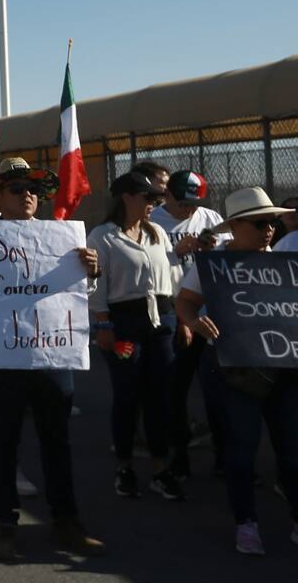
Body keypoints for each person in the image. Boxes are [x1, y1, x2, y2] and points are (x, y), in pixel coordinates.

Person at [0, 159, 105, 559]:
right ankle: (5, 524)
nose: (28, 195)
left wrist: (90, 272)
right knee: (4, 440)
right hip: (3, 357)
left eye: (33, 189)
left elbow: (73, 297)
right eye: (18, 188)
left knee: (57, 440)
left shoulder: (59, 239)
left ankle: (66, 522)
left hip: (52, 354)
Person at [175, 187, 298, 555]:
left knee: (292, 449)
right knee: (241, 449)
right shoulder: (212, 264)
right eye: (260, 223)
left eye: (273, 222)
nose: (269, 230)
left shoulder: (284, 264)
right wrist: (195, 324)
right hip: (234, 369)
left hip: (285, 369)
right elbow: (184, 303)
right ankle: (246, 522)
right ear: (236, 226)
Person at [88, 170, 183, 501]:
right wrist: (103, 324)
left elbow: (173, 276)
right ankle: (125, 465)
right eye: (149, 199)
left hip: (161, 323)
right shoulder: (104, 237)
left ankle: (160, 467)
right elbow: (97, 284)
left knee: (160, 395)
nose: (154, 205)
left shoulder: (157, 233)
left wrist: (181, 317)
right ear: (127, 197)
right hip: (125, 324)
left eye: (157, 200)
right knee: (128, 392)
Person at [150, 170, 223, 480]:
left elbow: (229, 259)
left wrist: (212, 248)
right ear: (167, 196)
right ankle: (179, 456)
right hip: (174, 314)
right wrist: (173, 253)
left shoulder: (210, 217)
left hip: (210, 317)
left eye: (194, 204)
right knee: (175, 391)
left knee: (218, 393)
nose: (190, 211)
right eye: (183, 205)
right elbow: (146, 270)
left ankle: (225, 457)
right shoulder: (154, 223)